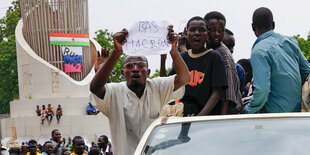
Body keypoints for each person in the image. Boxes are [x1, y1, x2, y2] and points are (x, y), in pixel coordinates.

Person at [90, 26, 190, 155]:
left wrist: (173, 50)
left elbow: (184, 78)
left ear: (148, 72)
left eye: (141, 66)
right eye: (130, 66)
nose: (136, 69)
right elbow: (95, 88)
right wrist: (117, 52)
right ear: (123, 73)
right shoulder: (115, 91)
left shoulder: (157, 87)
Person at [245, 7, 310, 113]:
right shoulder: (290, 42)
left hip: (274, 118)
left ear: (253, 27)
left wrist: (249, 110)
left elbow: (262, 90)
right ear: (273, 25)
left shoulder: (258, 52)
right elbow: (307, 72)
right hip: (298, 114)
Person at [168, 16, 227, 116]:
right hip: (183, 115)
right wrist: (163, 57)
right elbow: (169, 85)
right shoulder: (182, 57)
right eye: (192, 30)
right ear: (186, 34)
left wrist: (200, 117)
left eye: (202, 30)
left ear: (207, 34)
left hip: (204, 118)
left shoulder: (214, 57)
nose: (197, 33)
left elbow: (217, 92)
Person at [204, 11, 243, 114]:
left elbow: (227, 95)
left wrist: (221, 121)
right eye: (212, 30)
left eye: (221, 30)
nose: (217, 34)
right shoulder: (207, 49)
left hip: (224, 114)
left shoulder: (223, 55)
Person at [222, 28, 246, 95]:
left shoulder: (238, 69)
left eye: (232, 46)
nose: (231, 50)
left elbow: (238, 95)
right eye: (228, 46)